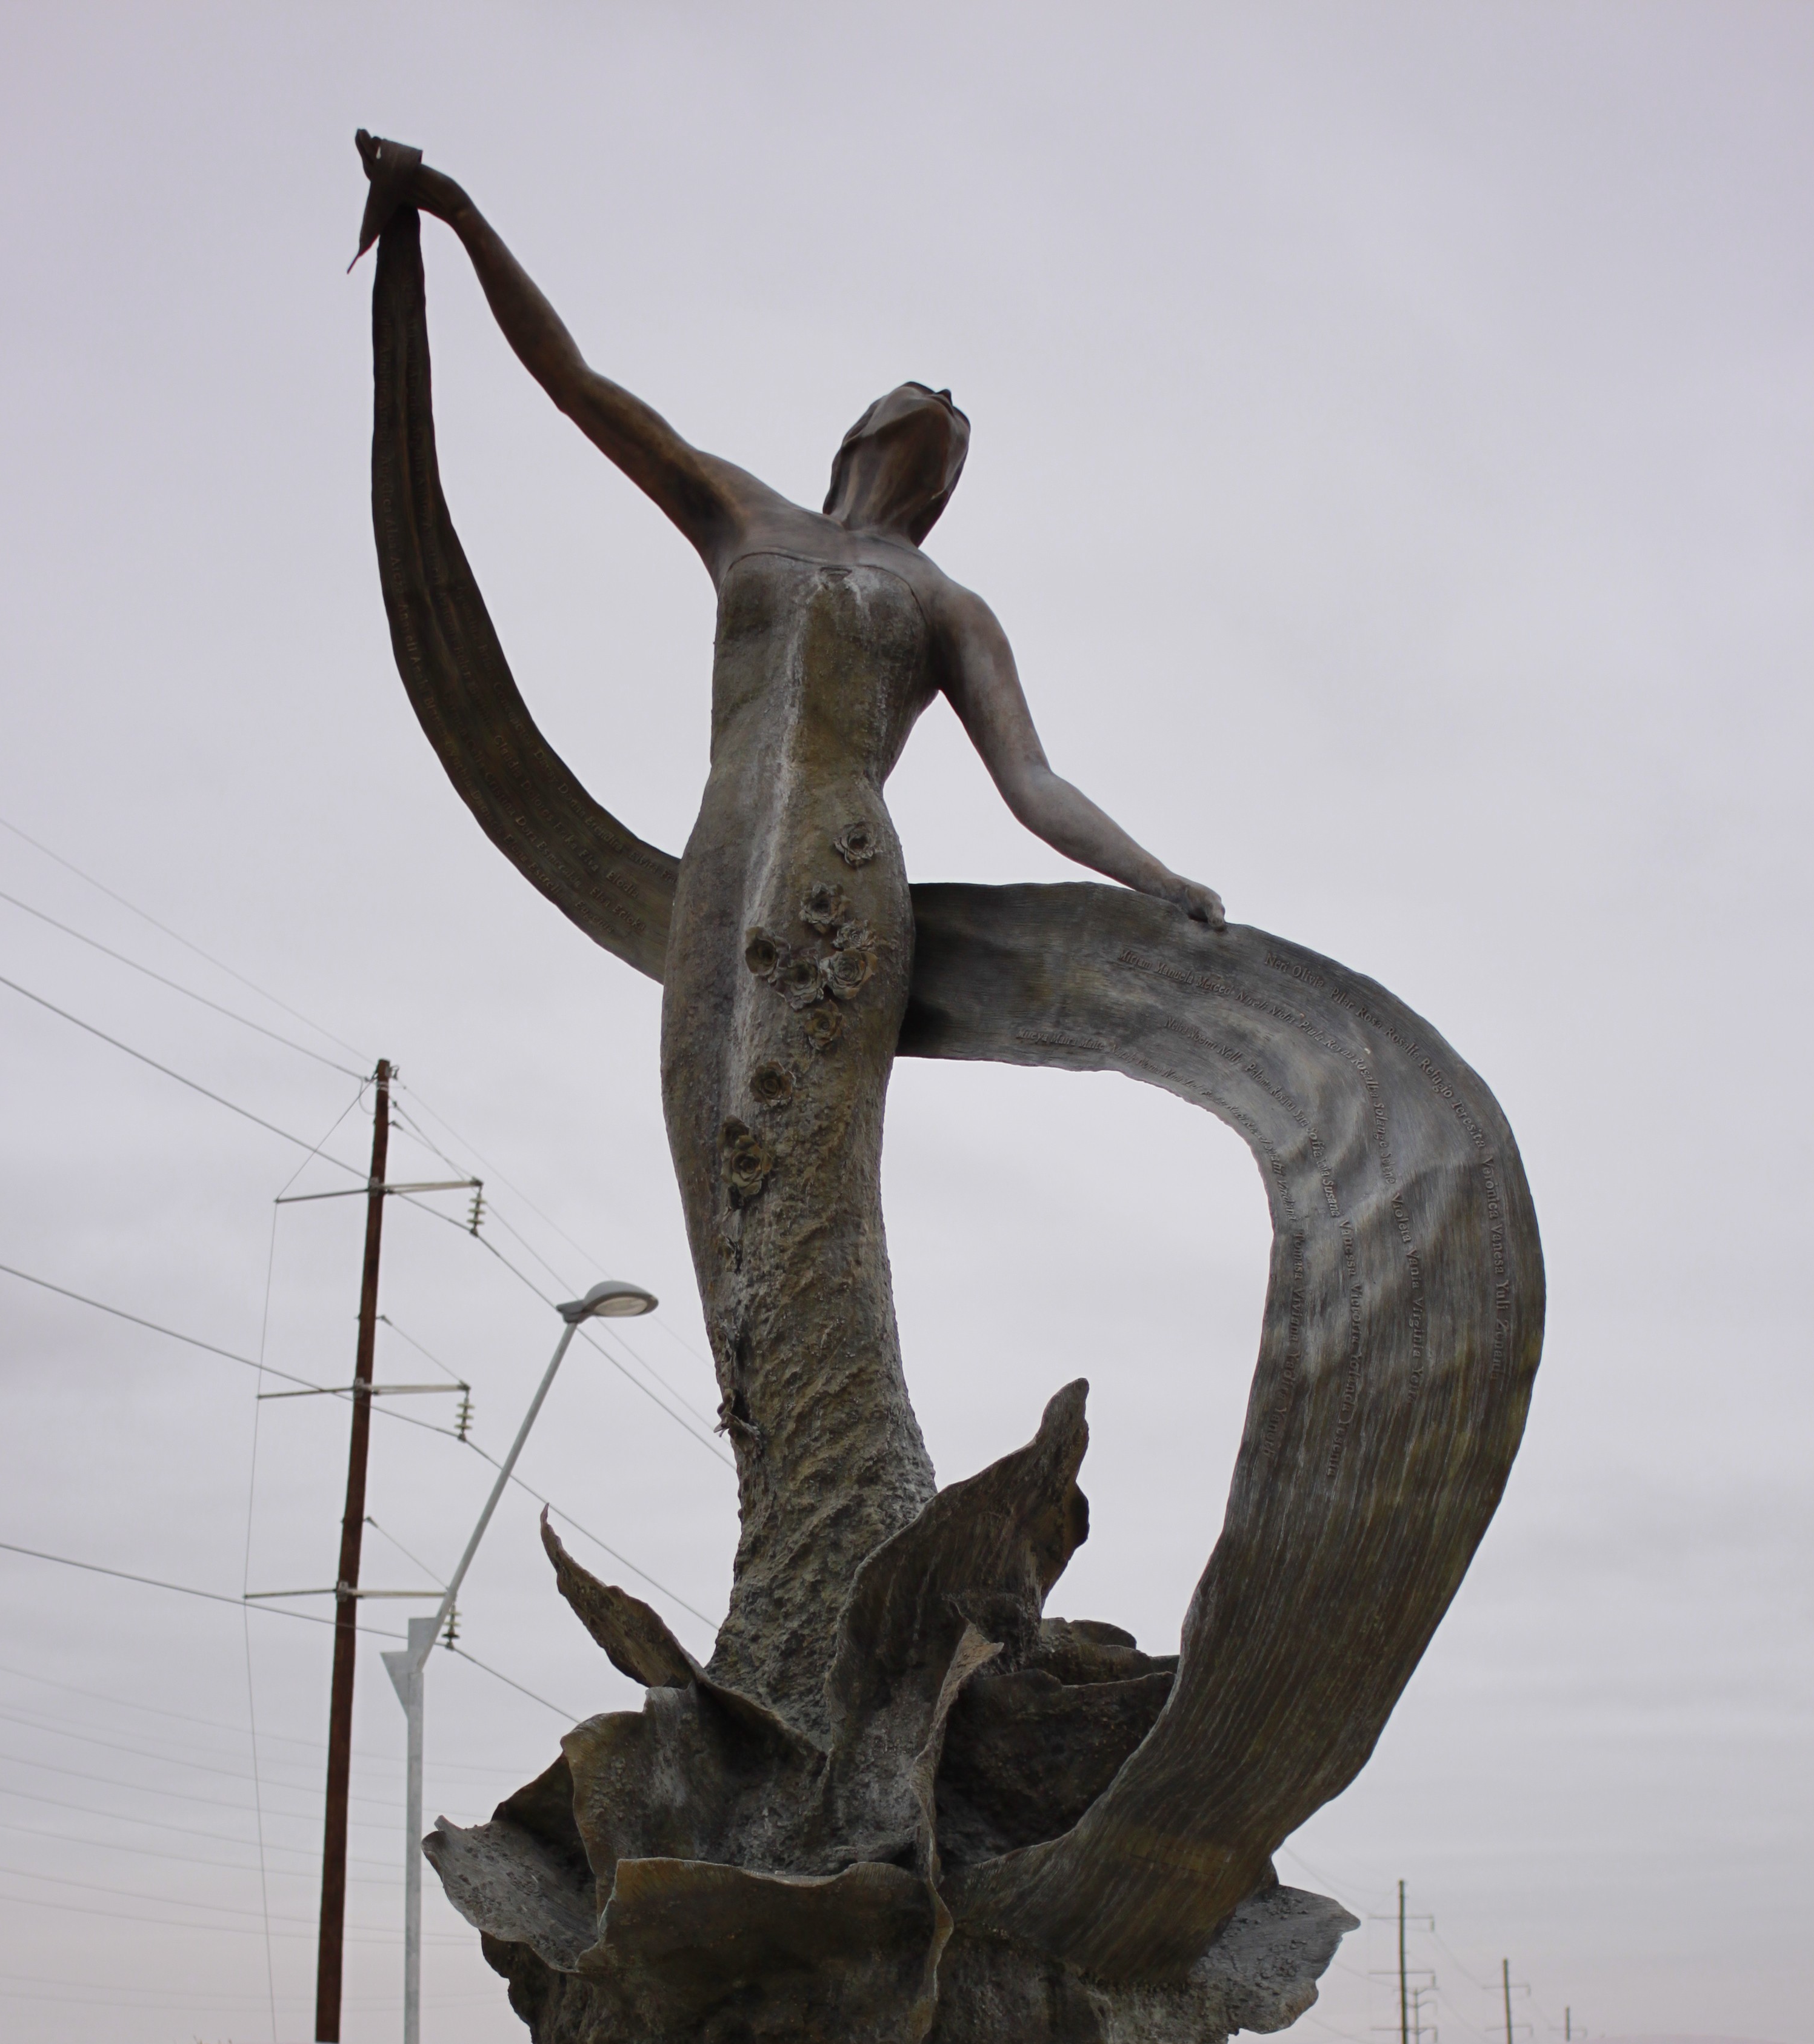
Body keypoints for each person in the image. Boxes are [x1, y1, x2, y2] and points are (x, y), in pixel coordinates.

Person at [356, 135, 1226, 1728]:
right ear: (860, 440)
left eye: (954, 442)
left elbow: (1033, 781)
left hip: (839, 876)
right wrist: (457, 214)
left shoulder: (947, 606)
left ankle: (866, 1588)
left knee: (811, 1197)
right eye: (918, 414)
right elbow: (576, 386)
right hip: (719, 876)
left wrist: (1157, 880)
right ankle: (797, 1560)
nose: (939, 425)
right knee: (723, 1187)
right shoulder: (739, 511)